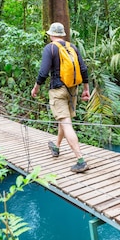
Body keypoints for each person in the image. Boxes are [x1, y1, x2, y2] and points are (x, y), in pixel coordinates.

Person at [31, 22, 90, 173]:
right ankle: (56, 147)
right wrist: (86, 89)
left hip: (58, 90)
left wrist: (36, 88)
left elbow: (43, 72)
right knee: (64, 120)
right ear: (62, 34)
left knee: (65, 122)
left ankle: (80, 159)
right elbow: (83, 68)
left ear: (51, 35)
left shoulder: (50, 48)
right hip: (73, 89)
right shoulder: (72, 47)